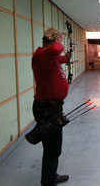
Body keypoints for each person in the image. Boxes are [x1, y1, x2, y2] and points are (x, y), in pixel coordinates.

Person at [32, 27, 70, 186]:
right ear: (53, 41)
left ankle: (51, 176)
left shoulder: (50, 58)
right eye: (58, 40)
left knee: (54, 147)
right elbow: (57, 49)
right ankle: (48, 181)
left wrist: (68, 56)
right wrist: (59, 40)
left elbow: (61, 58)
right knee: (52, 148)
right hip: (47, 109)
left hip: (53, 108)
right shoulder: (41, 55)